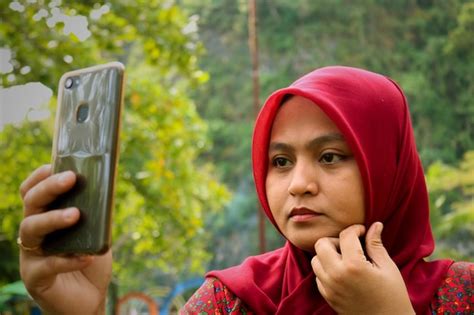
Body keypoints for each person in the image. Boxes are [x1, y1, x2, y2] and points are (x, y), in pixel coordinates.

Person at [18, 66, 472, 314]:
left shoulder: (461, 294)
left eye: (330, 156)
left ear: (388, 166)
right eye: (280, 162)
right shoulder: (230, 302)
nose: (298, 185)